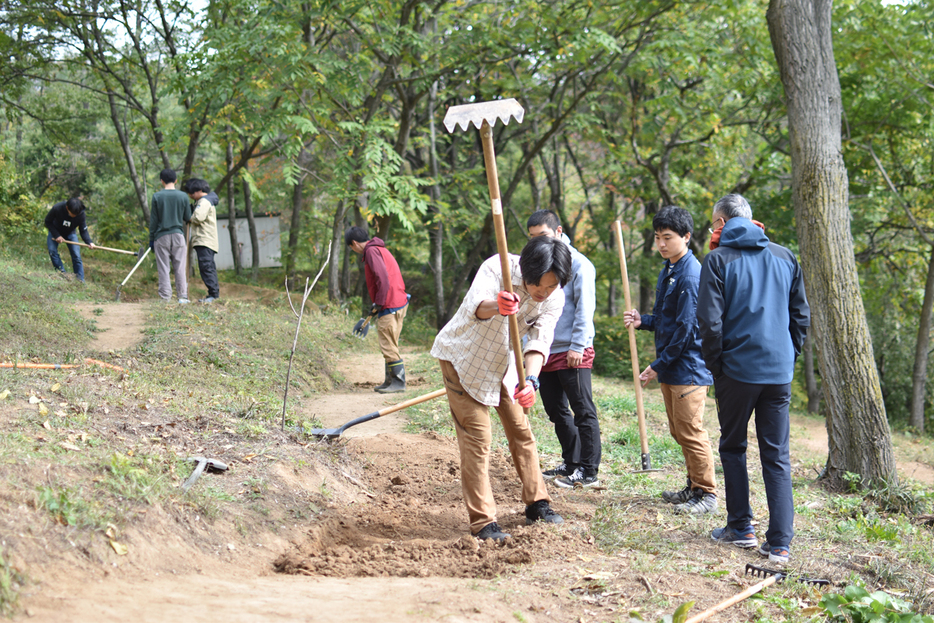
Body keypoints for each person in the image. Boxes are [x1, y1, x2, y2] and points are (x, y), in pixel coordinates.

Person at [430, 236, 571, 542]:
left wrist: (531, 381)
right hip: (463, 357)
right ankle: (483, 523)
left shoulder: (554, 296)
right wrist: (498, 305)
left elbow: (539, 341)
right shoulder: (498, 268)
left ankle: (538, 503)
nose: (544, 293)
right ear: (528, 271)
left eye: (551, 287)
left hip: (505, 363)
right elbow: (475, 308)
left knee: (521, 430)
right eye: (540, 287)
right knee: (478, 436)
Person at [696, 193, 810, 565]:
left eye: (714, 224)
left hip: (737, 371)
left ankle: (741, 527)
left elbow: (709, 323)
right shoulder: (784, 256)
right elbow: (800, 316)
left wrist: (717, 366)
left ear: (721, 224)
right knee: (777, 455)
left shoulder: (716, 261)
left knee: (732, 447)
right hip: (778, 373)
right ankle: (779, 543)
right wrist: (788, 355)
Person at [623, 206, 717, 514]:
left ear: (686, 237)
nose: (661, 244)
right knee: (680, 432)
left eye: (668, 237)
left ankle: (707, 495)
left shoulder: (690, 274)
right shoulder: (671, 269)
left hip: (688, 369)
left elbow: (688, 329)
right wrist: (643, 320)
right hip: (672, 367)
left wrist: (658, 364)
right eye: (657, 237)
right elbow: (667, 318)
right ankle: (693, 487)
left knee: (691, 432)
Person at [526, 210, 601, 489]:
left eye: (542, 236)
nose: (537, 243)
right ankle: (571, 462)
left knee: (582, 410)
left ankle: (589, 471)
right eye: (532, 238)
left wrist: (578, 345)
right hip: (544, 349)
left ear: (558, 232)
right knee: (556, 410)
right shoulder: (535, 266)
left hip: (573, 349)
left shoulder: (580, 264)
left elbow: (585, 309)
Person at [345, 226, 410, 393]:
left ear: (353, 243)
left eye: (351, 248)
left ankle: (398, 382)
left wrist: (379, 302)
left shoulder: (371, 252)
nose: (353, 251)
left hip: (391, 303)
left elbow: (383, 278)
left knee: (387, 343)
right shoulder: (379, 249)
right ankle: (390, 381)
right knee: (390, 344)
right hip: (398, 300)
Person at [149, 169, 192, 304]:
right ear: (176, 180)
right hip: (179, 236)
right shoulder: (183, 196)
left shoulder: (157, 196)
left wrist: (151, 239)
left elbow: (154, 221)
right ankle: (183, 296)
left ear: (161, 181)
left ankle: (165, 298)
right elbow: (188, 218)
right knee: (180, 267)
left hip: (162, 237)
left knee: (163, 268)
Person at [183, 178, 220, 304]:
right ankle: (213, 294)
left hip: (205, 240)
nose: (190, 195)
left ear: (199, 191)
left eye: (192, 193)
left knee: (206, 267)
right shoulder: (204, 201)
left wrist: (189, 216)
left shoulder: (204, 202)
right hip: (205, 240)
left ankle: (213, 295)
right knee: (207, 267)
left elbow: (198, 217)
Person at [45, 197, 95, 283]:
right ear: (67, 208)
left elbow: (83, 230)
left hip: (70, 233)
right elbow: (47, 221)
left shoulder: (81, 214)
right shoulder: (57, 208)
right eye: (73, 214)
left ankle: (80, 279)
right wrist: (57, 235)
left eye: (76, 214)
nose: (75, 216)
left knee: (76, 255)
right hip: (55, 231)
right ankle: (61, 273)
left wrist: (89, 242)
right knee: (52, 251)